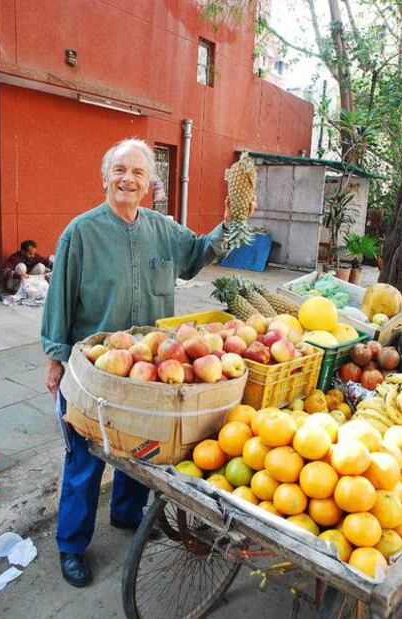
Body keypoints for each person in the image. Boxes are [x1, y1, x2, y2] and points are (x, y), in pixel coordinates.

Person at [41, 137, 255, 588]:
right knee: (83, 459)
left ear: (150, 185)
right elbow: (57, 300)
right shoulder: (81, 232)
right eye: (120, 170)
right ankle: (71, 546)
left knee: (142, 450)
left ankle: (126, 515)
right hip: (94, 371)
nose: (128, 179)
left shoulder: (163, 230)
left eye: (138, 173)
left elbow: (198, 254)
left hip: (154, 367)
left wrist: (234, 222)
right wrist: (55, 359)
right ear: (105, 178)